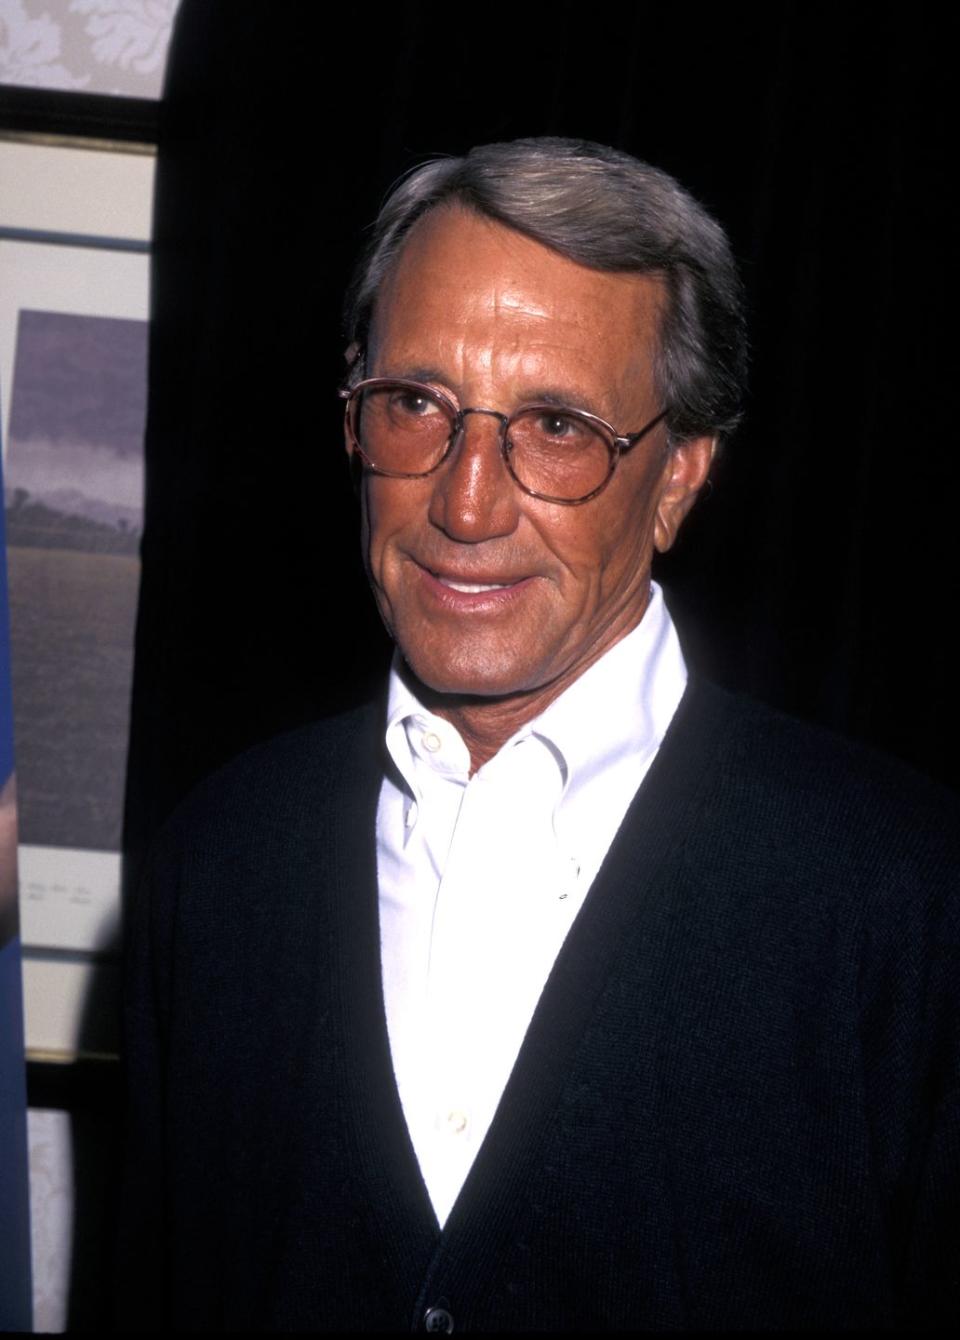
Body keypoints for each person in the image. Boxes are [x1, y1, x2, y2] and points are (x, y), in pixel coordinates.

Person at [118, 138, 958, 1332]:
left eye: (557, 427)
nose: (466, 502)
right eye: (416, 405)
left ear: (680, 477)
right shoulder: (216, 863)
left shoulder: (908, 900)